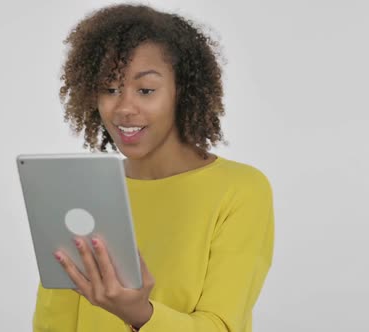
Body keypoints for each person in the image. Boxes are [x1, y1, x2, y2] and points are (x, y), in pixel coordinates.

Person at [33, 4, 274, 332]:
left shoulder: (240, 190)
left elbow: (221, 325)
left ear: (182, 92)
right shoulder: (83, 193)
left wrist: (140, 315)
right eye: (110, 89)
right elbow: (54, 322)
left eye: (145, 90)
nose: (124, 108)